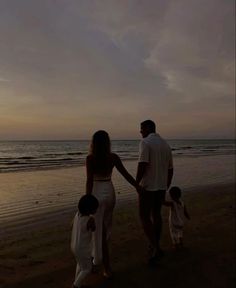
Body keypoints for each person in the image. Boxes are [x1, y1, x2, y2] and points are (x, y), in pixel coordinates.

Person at [86, 130, 140, 277]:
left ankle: (105, 267)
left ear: (94, 143)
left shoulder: (90, 159)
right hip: (110, 192)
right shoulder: (113, 157)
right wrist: (137, 186)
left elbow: (89, 180)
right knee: (106, 227)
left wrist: (87, 200)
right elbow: (126, 174)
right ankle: (96, 260)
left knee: (98, 231)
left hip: (97, 193)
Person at [136, 119, 173, 265]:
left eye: (142, 129)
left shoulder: (145, 142)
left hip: (148, 186)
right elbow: (171, 168)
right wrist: (166, 184)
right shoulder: (166, 144)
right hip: (161, 186)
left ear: (148, 128)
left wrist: (136, 182)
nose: (140, 132)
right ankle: (155, 244)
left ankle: (156, 247)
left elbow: (143, 164)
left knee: (144, 216)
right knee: (156, 214)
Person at [71, 194, 99, 288]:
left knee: (80, 264)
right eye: (95, 209)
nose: (96, 210)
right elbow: (94, 229)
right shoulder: (90, 220)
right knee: (87, 269)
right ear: (89, 209)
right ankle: (76, 285)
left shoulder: (77, 215)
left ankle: (78, 282)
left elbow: (73, 225)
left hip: (74, 246)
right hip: (83, 248)